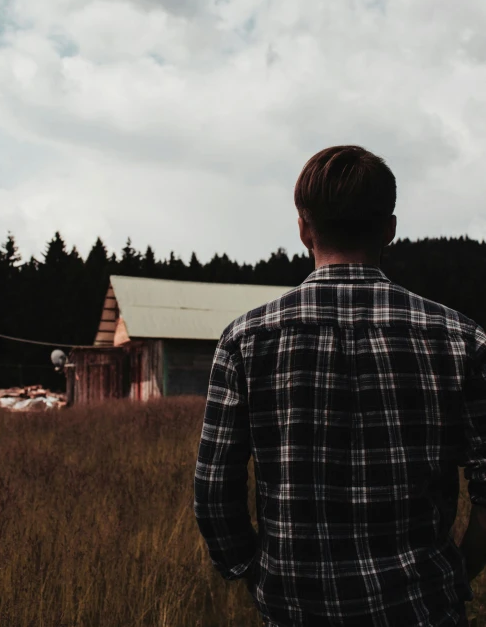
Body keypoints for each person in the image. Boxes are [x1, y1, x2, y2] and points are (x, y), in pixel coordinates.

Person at [194, 145, 486, 627]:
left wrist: (251, 570)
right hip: (423, 607)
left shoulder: (246, 340)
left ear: (304, 227)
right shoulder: (460, 339)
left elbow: (214, 489)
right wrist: (456, 574)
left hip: (294, 609)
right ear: (390, 230)